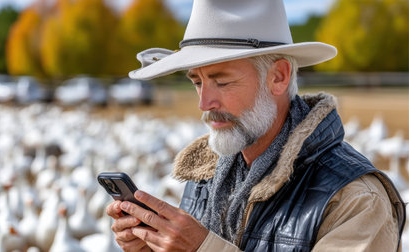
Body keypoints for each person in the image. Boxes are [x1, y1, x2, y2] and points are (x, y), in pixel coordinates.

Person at [106, 0, 406, 251]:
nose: (204, 103)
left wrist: (203, 248)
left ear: (279, 76)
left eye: (222, 81)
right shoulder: (204, 178)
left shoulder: (357, 200)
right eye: (197, 82)